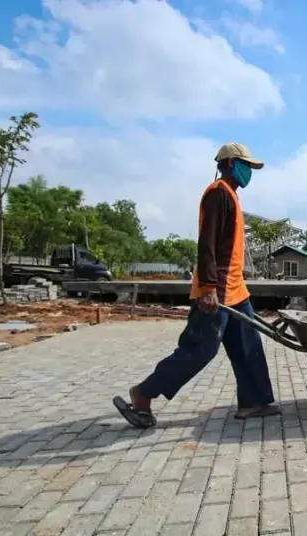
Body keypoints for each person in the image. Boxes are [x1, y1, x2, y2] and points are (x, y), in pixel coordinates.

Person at [113, 143, 279, 429]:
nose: (248, 172)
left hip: (236, 288)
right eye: (245, 166)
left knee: (248, 345)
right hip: (218, 289)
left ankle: (254, 401)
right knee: (200, 349)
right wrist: (208, 288)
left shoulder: (231, 196)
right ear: (228, 164)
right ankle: (143, 394)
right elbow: (207, 245)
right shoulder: (217, 195)